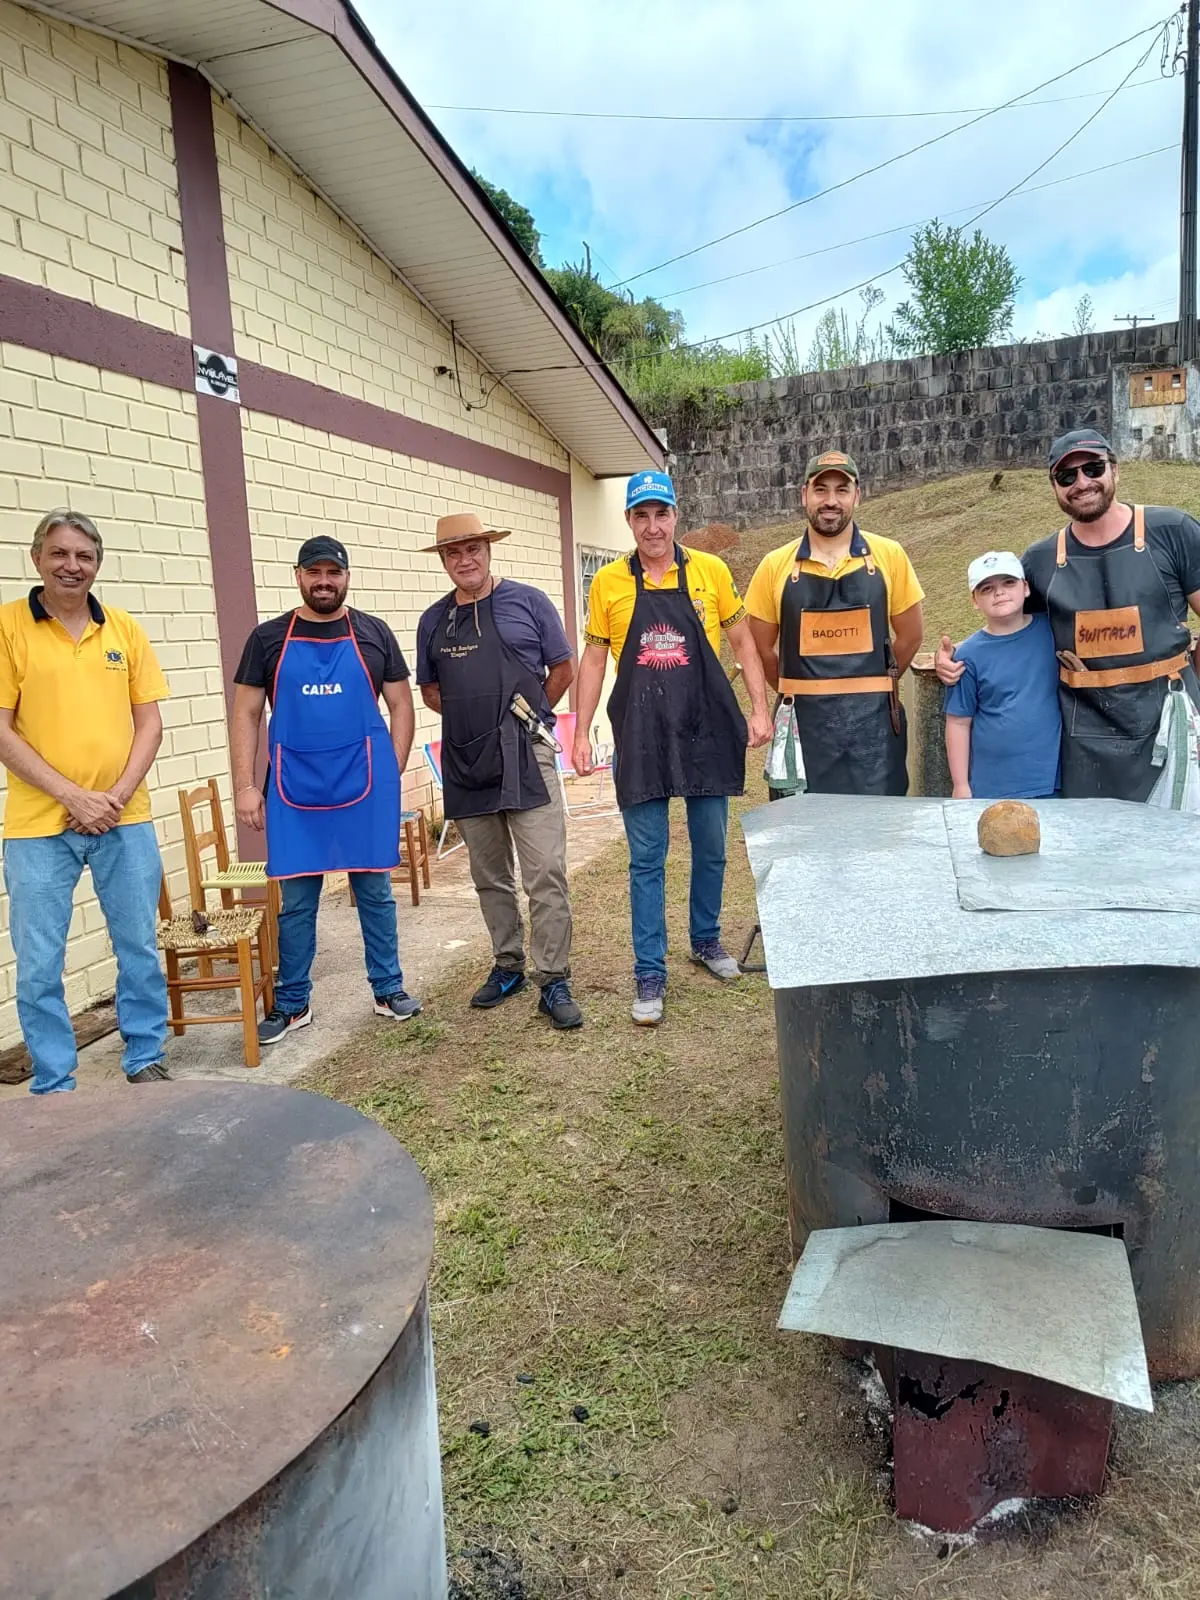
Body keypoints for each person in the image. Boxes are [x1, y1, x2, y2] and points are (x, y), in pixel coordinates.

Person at [572, 471, 771, 1027]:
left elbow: (740, 640)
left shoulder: (711, 572)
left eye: (661, 514)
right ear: (630, 521)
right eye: (641, 516)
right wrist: (581, 729)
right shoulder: (608, 582)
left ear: (675, 517)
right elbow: (592, 659)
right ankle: (648, 969)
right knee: (646, 858)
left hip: (705, 725)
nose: (652, 526)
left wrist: (758, 708)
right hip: (641, 732)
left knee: (711, 845)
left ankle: (706, 939)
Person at [0, 509, 170, 1092]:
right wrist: (74, 795)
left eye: (85, 556)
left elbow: (149, 723)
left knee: (138, 947)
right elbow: (1, 728)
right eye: (60, 554)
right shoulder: (7, 627)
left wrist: (114, 797)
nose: (72, 566)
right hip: (38, 827)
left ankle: (145, 1055)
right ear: (37, 558)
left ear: (97, 564)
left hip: (126, 819)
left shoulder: (123, 629)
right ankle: (54, 1083)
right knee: (41, 963)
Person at [936, 430, 1200, 800]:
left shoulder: (1172, 531)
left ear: (1115, 470)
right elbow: (1009, 627)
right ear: (1055, 487)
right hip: (1084, 738)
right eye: (1067, 476)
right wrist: (957, 655)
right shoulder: (1042, 560)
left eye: (1093, 468)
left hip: (1166, 721)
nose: (1082, 483)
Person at [231, 535, 420, 1045]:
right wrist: (247, 786)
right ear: (298, 576)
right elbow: (247, 713)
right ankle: (293, 1003)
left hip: (364, 783)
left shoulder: (374, 633)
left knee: (375, 892)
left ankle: (388, 988)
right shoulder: (268, 638)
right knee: (296, 900)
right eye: (313, 573)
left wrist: (393, 770)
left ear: (346, 577)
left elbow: (402, 705)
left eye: (332, 573)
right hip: (293, 786)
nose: (323, 582)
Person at [415, 512, 581, 1030]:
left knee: (545, 874)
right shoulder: (432, 621)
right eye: (453, 553)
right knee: (489, 875)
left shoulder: (528, 602)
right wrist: (477, 721)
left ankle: (552, 978)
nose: (466, 560)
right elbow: (431, 691)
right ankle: (507, 963)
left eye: (473, 549)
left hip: (527, 754)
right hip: (466, 758)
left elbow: (562, 668)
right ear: (443, 560)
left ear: (489, 551)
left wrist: (524, 717)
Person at [744, 450, 925, 793]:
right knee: (802, 835)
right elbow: (760, 649)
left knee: (879, 835)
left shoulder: (890, 556)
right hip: (803, 731)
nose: (831, 501)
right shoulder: (774, 566)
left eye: (842, 490)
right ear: (804, 495)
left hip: (875, 735)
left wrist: (876, 684)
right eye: (820, 490)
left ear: (857, 495)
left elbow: (911, 636)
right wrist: (794, 691)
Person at [943, 551, 1061, 800]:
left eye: (1009, 582)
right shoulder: (968, 655)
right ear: (974, 601)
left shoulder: (1054, 630)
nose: (999, 593)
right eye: (986, 588)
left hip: (1052, 781)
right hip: (993, 785)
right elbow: (958, 722)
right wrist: (960, 785)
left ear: (1026, 588)